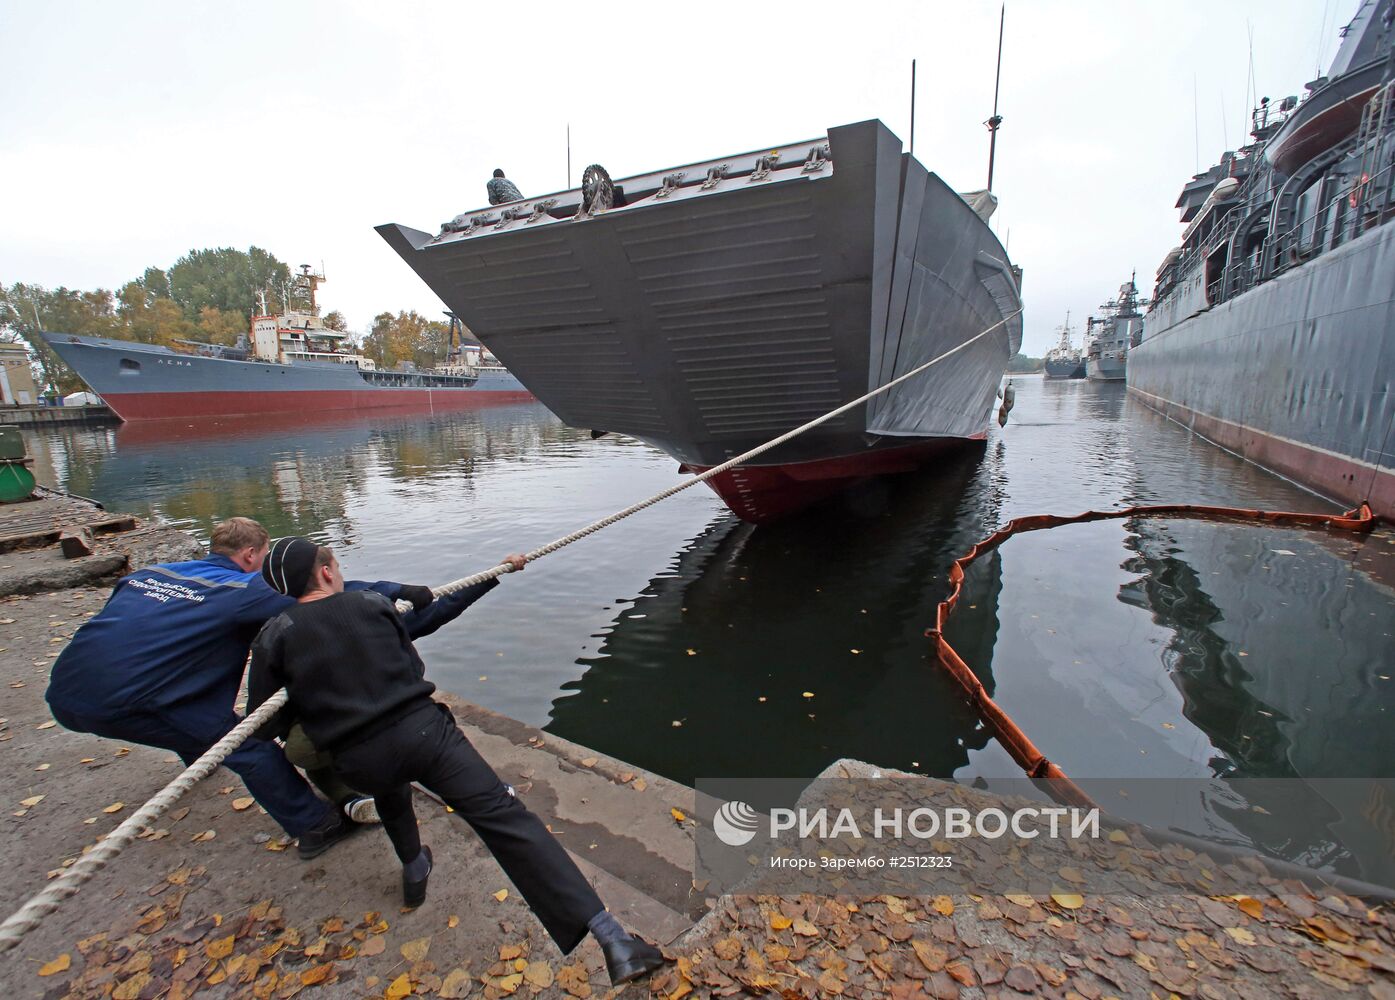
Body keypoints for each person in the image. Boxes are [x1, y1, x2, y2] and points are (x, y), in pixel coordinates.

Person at [247, 539, 667, 985]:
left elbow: (265, 723)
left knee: (390, 788)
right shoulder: (371, 604)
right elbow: (411, 664)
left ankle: (414, 870)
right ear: (327, 572)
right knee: (506, 820)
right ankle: (612, 939)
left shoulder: (274, 635)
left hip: (359, 759)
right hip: (427, 737)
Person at [45, 517, 496, 859]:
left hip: (67, 691)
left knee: (204, 729)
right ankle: (316, 826)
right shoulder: (247, 589)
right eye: (266, 562)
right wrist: (398, 588)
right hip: (133, 698)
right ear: (249, 557)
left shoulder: (154, 574)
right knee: (250, 748)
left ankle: (199, 758)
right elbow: (329, 596)